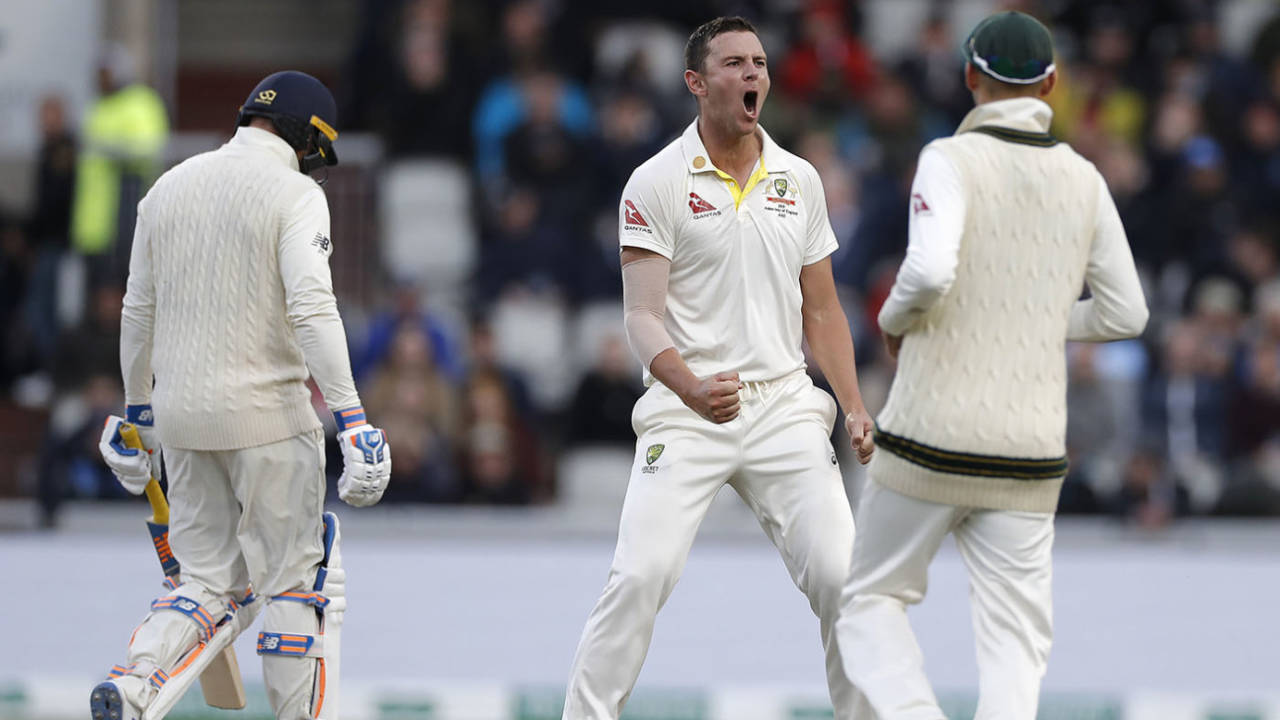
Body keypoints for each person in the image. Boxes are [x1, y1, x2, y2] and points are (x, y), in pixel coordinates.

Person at [834, 12, 1149, 720]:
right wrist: (1035, 318)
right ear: (1052, 84)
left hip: (929, 434)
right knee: (1014, 643)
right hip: (1030, 451)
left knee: (870, 601)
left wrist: (893, 321)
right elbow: (1128, 313)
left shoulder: (949, 158)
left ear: (971, 76)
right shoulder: (1084, 176)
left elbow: (929, 270)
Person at [562, 17, 877, 720]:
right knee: (640, 576)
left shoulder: (799, 179)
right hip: (687, 405)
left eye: (760, 63)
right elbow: (642, 316)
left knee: (844, 579)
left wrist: (853, 404)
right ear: (697, 85)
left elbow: (822, 313)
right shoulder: (655, 181)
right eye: (734, 64)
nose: (753, 75)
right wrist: (691, 388)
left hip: (784, 405)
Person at [91, 71, 392, 720]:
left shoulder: (166, 188)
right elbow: (313, 308)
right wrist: (354, 417)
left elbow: (136, 312)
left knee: (201, 584)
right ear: (308, 139)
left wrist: (135, 413)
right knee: (293, 588)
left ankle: (136, 678)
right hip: (270, 424)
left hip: (182, 422)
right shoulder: (294, 195)